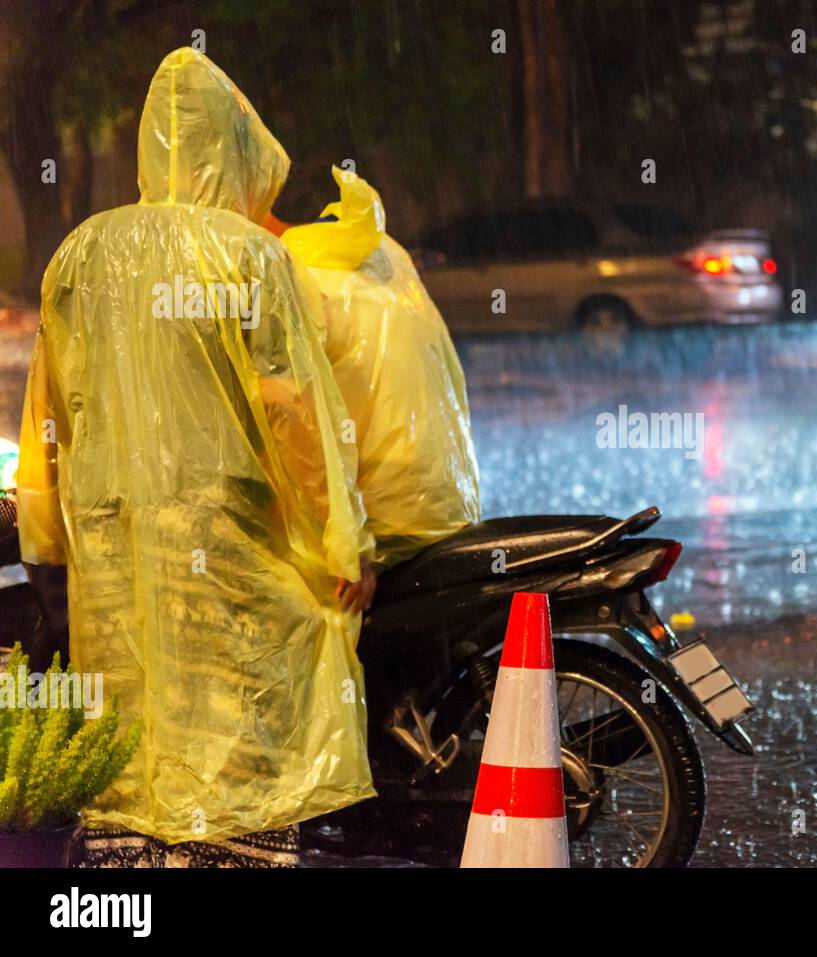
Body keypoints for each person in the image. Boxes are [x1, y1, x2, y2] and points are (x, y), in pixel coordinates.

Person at [16, 48, 377, 867]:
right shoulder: (248, 256)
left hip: (114, 539)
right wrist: (340, 540)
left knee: (134, 740)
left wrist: (44, 535)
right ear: (235, 151)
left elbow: (47, 406)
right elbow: (292, 413)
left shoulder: (80, 252)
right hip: (223, 532)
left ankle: (130, 882)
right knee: (234, 733)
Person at [279, 167, 480, 568]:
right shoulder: (390, 254)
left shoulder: (294, 271)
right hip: (449, 508)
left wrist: (348, 543)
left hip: (382, 523)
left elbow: (291, 418)